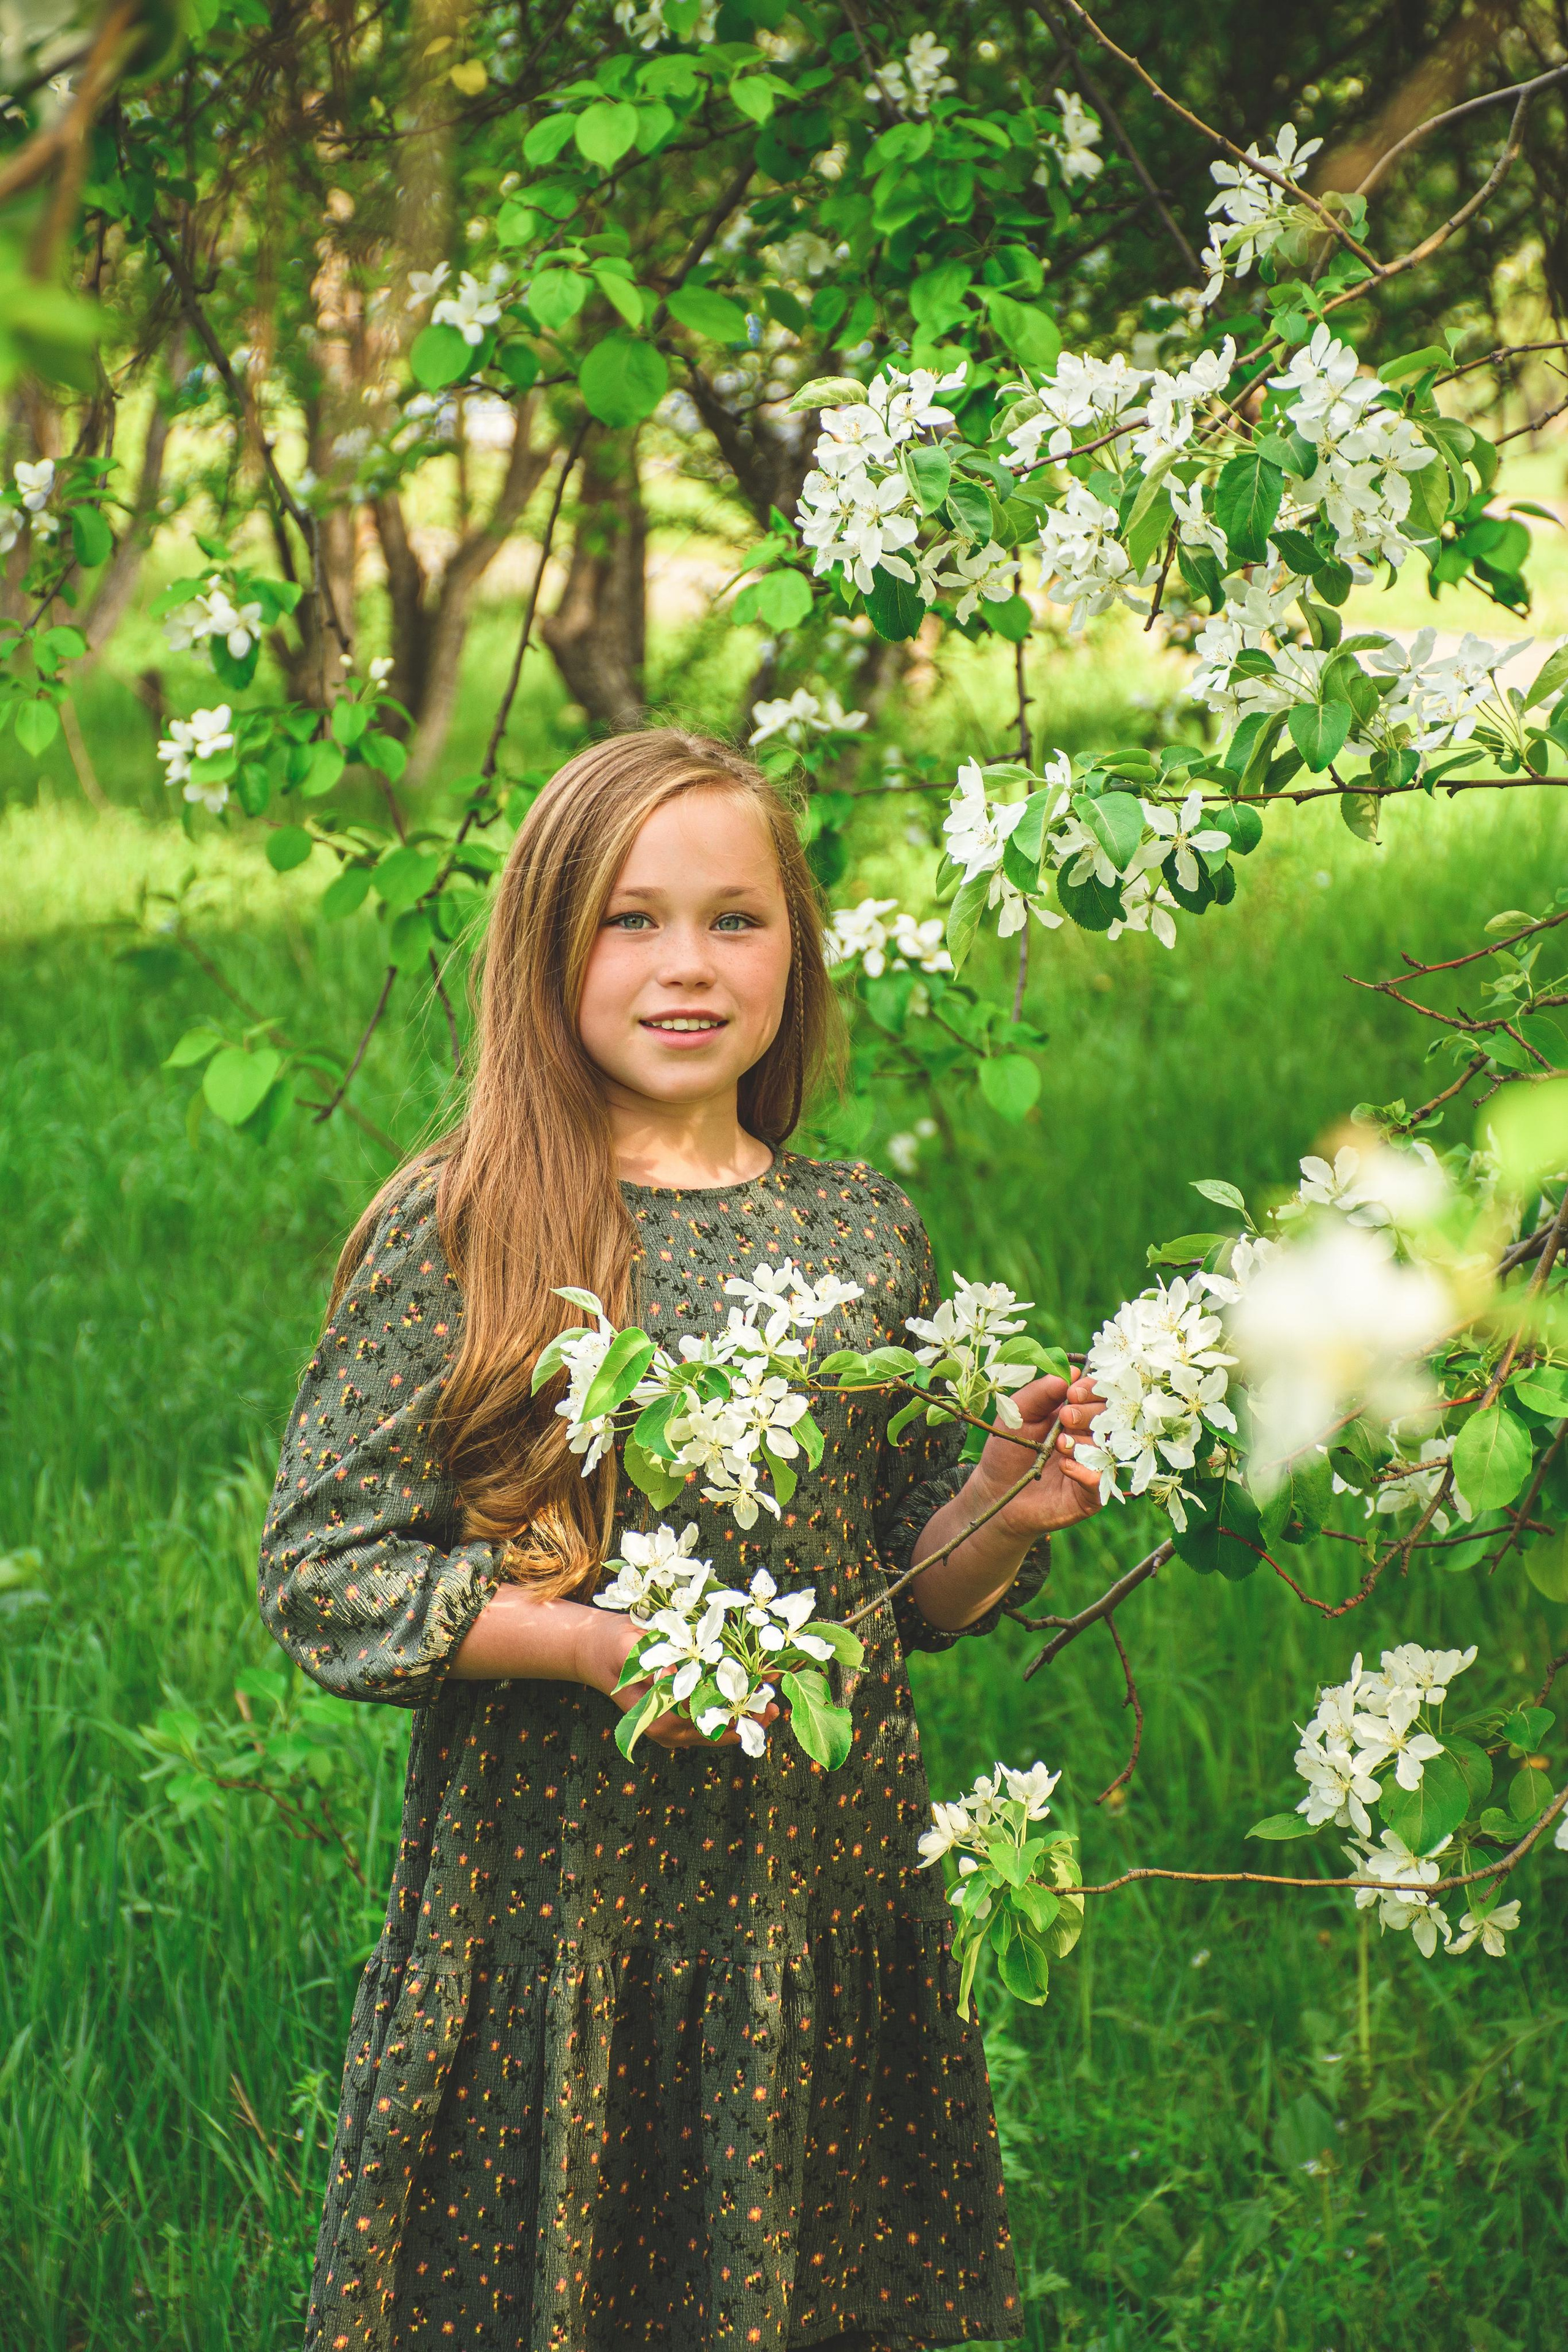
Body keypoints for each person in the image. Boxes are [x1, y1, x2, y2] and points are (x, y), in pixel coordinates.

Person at [259, 728, 1105, 2351]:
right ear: (547, 946)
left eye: (737, 919)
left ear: (798, 945)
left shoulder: (861, 1227)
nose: (687, 966)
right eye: (630, 920)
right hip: (559, 1903)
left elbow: (910, 1593)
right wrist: (588, 1644)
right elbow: (324, 1568)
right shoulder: (473, 1217)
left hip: (814, 1897)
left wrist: (1006, 1492)